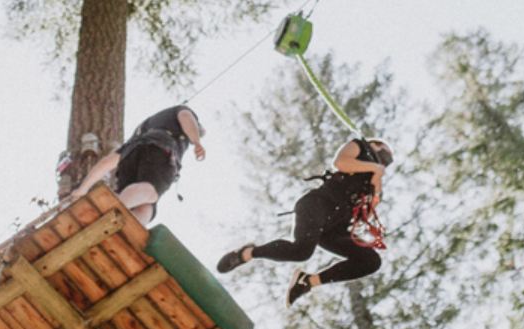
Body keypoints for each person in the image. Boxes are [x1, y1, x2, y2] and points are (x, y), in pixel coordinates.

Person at [215, 137, 394, 307]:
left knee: (370, 261)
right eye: (386, 152)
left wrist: (376, 185)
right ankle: (247, 253)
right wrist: (374, 167)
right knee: (301, 251)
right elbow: (340, 163)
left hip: (335, 228)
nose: (387, 159)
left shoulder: (375, 179)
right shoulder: (360, 146)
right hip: (318, 204)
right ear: (376, 145)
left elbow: (366, 215)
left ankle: (307, 282)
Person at [68, 105, 205, 224]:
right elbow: (186, 116)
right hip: (161, 149)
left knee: (146, 203)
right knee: (150, 191)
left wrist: (82, 189)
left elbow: (107, 162)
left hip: (130, 156)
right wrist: (196, 141)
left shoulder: (142, 132)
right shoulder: (180, 112)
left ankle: (122, 223)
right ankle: (112, 211)